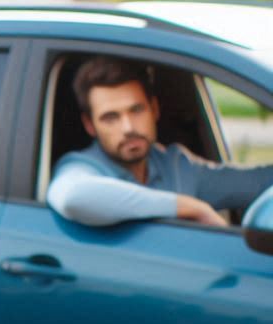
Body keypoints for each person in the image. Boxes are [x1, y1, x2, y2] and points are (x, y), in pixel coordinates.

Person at [46, 55, 273, 227]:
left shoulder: (176, 165)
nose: (128, 128)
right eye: (110, 118)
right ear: (90, 125)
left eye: (136, 110)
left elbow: (257, 182)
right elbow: (72, 198)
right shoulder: (80, 166)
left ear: (154, 109)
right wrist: (191, 207)